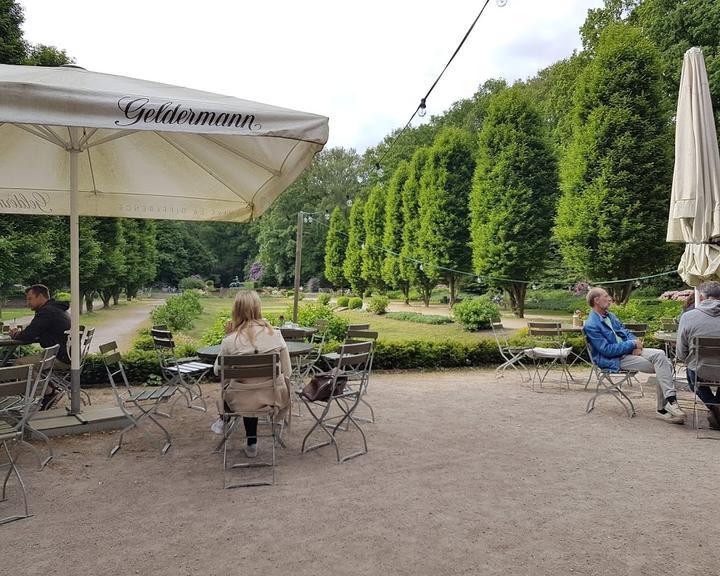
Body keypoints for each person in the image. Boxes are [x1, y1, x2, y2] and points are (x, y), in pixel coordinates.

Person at [584, 287, 686, 424]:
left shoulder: (610, 316)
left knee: (661, 356)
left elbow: (625, 332)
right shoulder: (591, 324)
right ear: (596, 300)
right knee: (665, 364)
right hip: (614, 359)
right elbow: (606, 350)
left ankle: (668, 404)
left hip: (629, 351)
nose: (610, 299)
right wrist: (631, 345)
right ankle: (667, 405)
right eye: (606, 296)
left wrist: (636, 344)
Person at [212, 290, 292, 457]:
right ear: (258, 308)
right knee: (258, 389)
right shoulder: (276, 335)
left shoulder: (230, 340)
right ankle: (253, 439)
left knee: (243, 390)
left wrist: (228, 337)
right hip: (273, 398)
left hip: (240, 400)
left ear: (236, 310)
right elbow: (288, 371)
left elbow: (217, 371)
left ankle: (238, 430)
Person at [675, 281, 720, 429]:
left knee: (691, 372)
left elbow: (681, 353)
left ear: (702, 296)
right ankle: (717, 408)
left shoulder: (688, 316)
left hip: (699, 370)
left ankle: (714, 408)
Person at [10, 284, 71, 368]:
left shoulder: (46, 312)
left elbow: (28, 335)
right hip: (69, 356)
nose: (27, 303)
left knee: (19, 363)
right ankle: (39, 381)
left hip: (60, 358)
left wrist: (15, 334)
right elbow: (36, 331)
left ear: (41, 296)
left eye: (30, 299)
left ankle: (38, 382)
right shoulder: (58, 309)